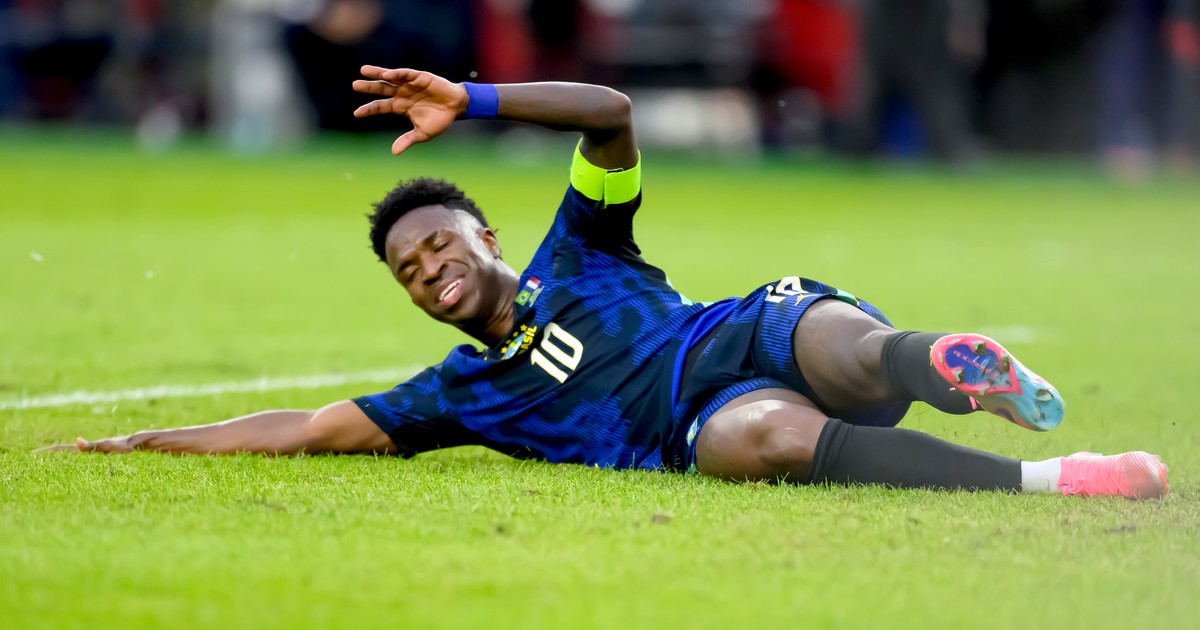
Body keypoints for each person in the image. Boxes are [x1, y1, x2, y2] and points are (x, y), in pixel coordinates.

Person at [45, 66, 1168, 500]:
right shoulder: (460, 396)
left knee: (843, 347)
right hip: (702, 421)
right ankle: (1055, 479)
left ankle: (951, 367)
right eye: (409, 271)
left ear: (485, 235)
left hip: (738, 333)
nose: (430, 270)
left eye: (440, 244)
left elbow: (612, 115)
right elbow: (305, 429)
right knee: (763, 441)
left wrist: (476, 102)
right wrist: (147, 443)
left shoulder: (579, 245)